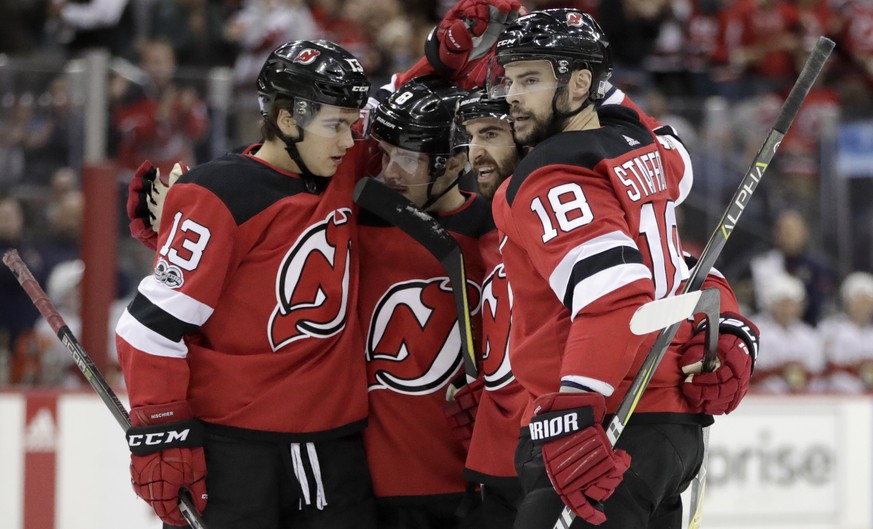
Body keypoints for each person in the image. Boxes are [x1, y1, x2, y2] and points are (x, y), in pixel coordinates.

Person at [485, 9, 759, 528]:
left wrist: (577, 407)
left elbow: (613, 296)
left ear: (579, 83)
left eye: (530, 79)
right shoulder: (651, 153)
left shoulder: (553, 176)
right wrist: (728, 320)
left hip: (611, 430)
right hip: (670, 427)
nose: (511, 95)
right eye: (509, 79)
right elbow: (674, 265)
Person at [115, 40, 378, 529]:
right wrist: (163, 434)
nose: (349, 141)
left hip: (334, 448)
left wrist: (441, 54)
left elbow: (405, 97)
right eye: (336, 126)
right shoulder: (220, 194)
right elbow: (148, 331)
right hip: (238, 453)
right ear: (285, 121)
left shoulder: (342, 167)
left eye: (352, 124)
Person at [361, 75, 495, 528]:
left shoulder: (497, 228)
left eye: (409, 159)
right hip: (361, 487)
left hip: (466, 485)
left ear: (457, 162)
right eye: (386, 154)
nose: (390, 172)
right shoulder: (356, 218)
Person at [819, 271, 873, 393]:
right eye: (859, 300)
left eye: (867, 301)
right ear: (847, 301)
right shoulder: (831, 328)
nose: (863, 306)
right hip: (837, 396)